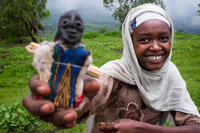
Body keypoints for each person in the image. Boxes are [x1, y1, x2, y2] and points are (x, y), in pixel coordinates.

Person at [23, 3, 200, 133]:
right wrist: (68, 101)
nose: (155, 47)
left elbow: (195, 126)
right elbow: (93, 92)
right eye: (144, 39)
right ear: (130, 43)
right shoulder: (114, 75)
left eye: (163, 38)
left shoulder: (170, 75)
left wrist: (142, 129)